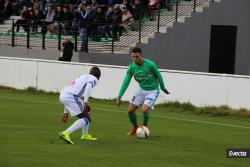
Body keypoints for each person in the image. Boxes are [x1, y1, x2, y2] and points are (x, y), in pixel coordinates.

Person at [117, 47, 170, 136]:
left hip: (153, 91)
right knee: (130, 111)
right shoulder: (132, 67)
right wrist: (119, 96)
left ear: (141, 56)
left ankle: (144, 127)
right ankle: (134, 127)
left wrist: (163, 87)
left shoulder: (150, 64)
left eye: (137, 56)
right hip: (141, 90)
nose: (134, 59)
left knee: (144, 109)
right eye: (133, 57)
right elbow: (126, 82)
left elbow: (159, 75)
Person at [58, 66, 101, 144]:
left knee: (88, 110)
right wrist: (85, 102)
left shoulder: (83, 76)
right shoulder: (94, 78)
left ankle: (85, 134)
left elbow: (70, 89)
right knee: (87, 119)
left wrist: (65, 112)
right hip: (71, 96)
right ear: (98, 77)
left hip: (63, 94)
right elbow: (88, 87)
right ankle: (65, 133)